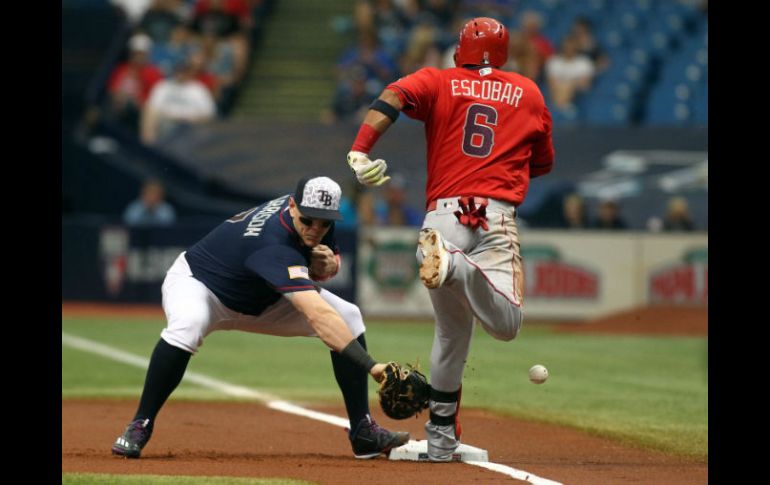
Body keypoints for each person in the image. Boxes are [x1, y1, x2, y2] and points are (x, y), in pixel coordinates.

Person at [345, 17, 554, 461]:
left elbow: (391, 96)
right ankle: (457, 268)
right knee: (506, 325)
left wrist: (361, 150)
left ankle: (440, 443)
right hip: (494, 216)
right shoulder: (529, 91)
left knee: (450, 332)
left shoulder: (438, 80)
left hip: (442, 218)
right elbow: (542, 164)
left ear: (460, 48)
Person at [111, 176, 409, 459]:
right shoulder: (273, 244)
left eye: (324, 222)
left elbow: (327, 265)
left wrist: (331, 265)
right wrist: (372, 367)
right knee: (188, 325)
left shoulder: (313, 214)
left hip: (261, 298)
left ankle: (363, 432)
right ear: (292, 205)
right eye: (308, 220)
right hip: (202, 285)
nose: (315, 228)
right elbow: (316, 314)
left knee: (349, 316)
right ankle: (140, 424)